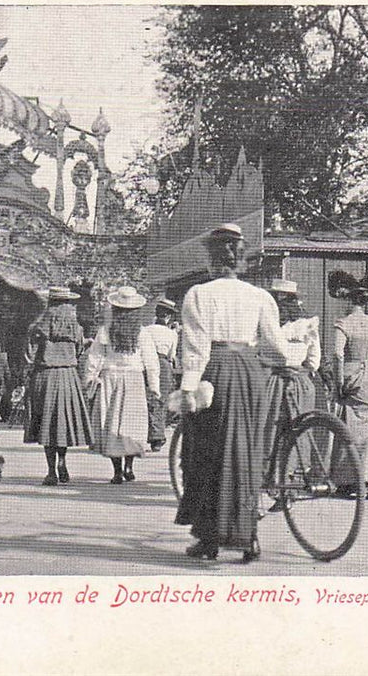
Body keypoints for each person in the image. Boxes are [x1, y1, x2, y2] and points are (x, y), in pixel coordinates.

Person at [176, 223, 287, 563]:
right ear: (241, 259)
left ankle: (209, 540)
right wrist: (292, 361)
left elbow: (195, 347)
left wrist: (188, 389)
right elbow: (276, 343)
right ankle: (248, 537)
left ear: (211, 259)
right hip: (251, 374)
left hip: (217, 370)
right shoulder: (260, 297)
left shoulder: (198, 295)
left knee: (207, 452)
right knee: (246, 450)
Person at [329, 271, 368, 500]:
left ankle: (353, 479)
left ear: (348, 300)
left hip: (351, 375)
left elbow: (337, 355)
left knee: (351, 430)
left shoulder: (344, 324)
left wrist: (338, 383)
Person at [84, 286, 157, 483]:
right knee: (131, 424)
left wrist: (90, 379)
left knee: (110, 422)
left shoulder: (106, 331)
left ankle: (116, 471)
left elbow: (95, 356)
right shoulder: (141, 332)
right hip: (134, 379)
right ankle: (129, 467)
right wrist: (154, 385)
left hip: (111, 378)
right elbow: (151, 361)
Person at [25, 286, 94, 485]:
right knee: (62, 423)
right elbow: (80, 350)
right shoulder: (76, 326)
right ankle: (63, 462)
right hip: (68, 376)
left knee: (47, 423)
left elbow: (29, 354)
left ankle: (51, 471)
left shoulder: (38, 326)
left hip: (45, 376)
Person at [262, 279, 321, 507]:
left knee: (273, 431)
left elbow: (263, 353)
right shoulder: (308, 325)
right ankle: (293, 485)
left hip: (276, 381)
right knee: (298, 432)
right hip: (302, 383)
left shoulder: (273, 326)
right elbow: (314, 361)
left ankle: (277, 486)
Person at [142, 297, 180, 451]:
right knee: (161, 399)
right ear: (169, 316)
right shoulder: (172, 334)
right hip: (163, 364)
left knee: (147, 398)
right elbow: (172, 355)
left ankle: (148, 433)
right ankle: (157, 436)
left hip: (146, 362)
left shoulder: (146, 330)